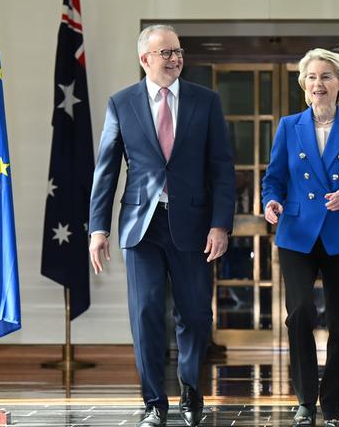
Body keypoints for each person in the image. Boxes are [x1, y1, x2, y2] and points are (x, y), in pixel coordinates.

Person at [88, 24, 235, 427]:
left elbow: (222, 168)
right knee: (146, 311)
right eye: (165, 52)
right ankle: (154, 402)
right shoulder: (122, 103)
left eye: (178, 51)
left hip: (193, 224)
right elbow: (106, 171)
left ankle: (190, 389)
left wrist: (221, 224)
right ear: (144, 60)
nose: (175, 58)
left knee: (194, 314)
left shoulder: (206, 102)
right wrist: (97, 229)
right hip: (141, 226)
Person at [262, 48, 339, 427]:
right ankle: (304, 400)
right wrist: (271, 202)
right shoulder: (288, 126)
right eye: (311, 77)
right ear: (304, 84)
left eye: (326, 76)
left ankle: (331, 406)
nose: (318, 83)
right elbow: (274, 178)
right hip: (296, 233)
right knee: (299, 314)